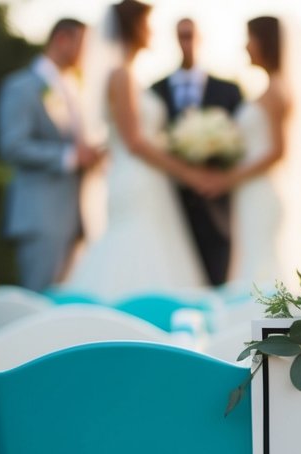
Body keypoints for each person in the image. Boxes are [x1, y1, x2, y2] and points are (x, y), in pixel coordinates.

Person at [65, 0, 210, 299]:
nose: (152, 31)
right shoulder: (122, 75)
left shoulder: (129, 75)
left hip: (144, 178)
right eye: (148, 24)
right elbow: (135, 142)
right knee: (134, 247)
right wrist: (188, 173)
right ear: (135, 28)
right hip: (136, 179)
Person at [202, 16, 301, 291]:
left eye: (249, 39)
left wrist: (228, 178)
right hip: (253, 191)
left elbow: (278, 150)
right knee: (255, 258)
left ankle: (266, 310)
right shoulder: (272, 88)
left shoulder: (276, 91)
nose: (245, 46)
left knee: (262, 261)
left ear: (264, 42)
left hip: (262, 191)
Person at [0, 18, 103, 292]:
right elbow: (13, 145)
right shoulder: (21, 87)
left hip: (78, 217)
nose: (88, 54)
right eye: (84, 45)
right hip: (42, 216)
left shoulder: (76, 90)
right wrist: (70, 157)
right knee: (39, 301)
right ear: (62, 40)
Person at [152, 19, 243, 288]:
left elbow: (241, 143)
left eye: (191, 35)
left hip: (217, 206)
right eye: (181, 36)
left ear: (201, 38)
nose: (187, 42)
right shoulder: (155, 90)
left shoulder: (228, 90)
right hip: (169, 201)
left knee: (218, 276)